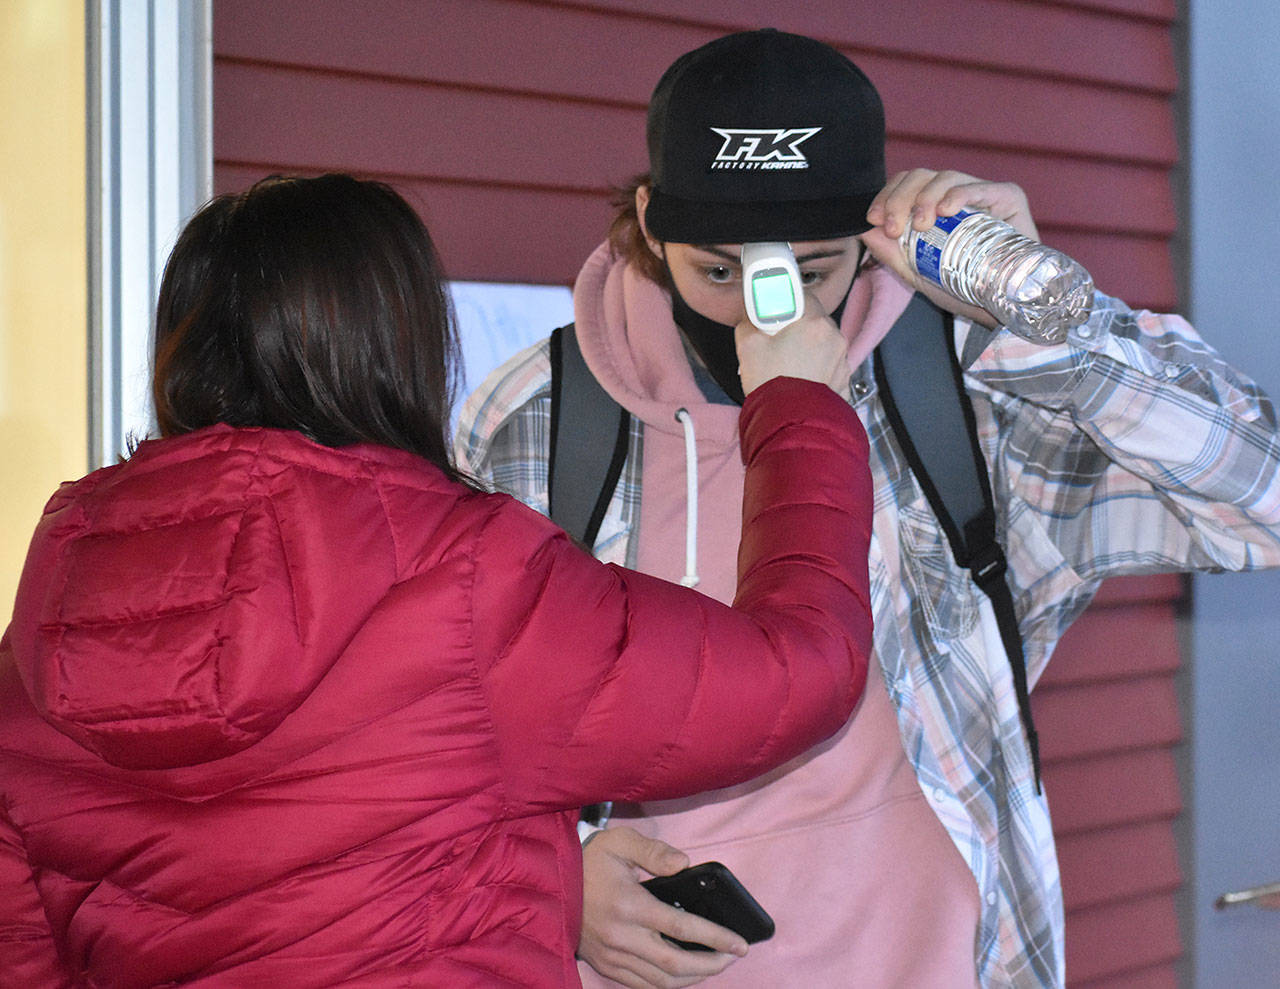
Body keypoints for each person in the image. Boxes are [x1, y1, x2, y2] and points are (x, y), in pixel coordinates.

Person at [454, 28, 1280, 988]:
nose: (760, 311)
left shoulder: (966, 391)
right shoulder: (545, 415)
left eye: (808, 272)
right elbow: (447, 713)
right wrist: (552, 874)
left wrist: (1040, 312)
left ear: (869, 237)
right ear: (650, 220)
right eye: (718, 271)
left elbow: (1259, 498)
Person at [0, 173, 877, 987]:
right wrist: (801, 407)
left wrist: (556, 875)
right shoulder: (464, 572)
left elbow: (27, 932)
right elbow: (798, 670)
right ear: (401, 343)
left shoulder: (58, 592)